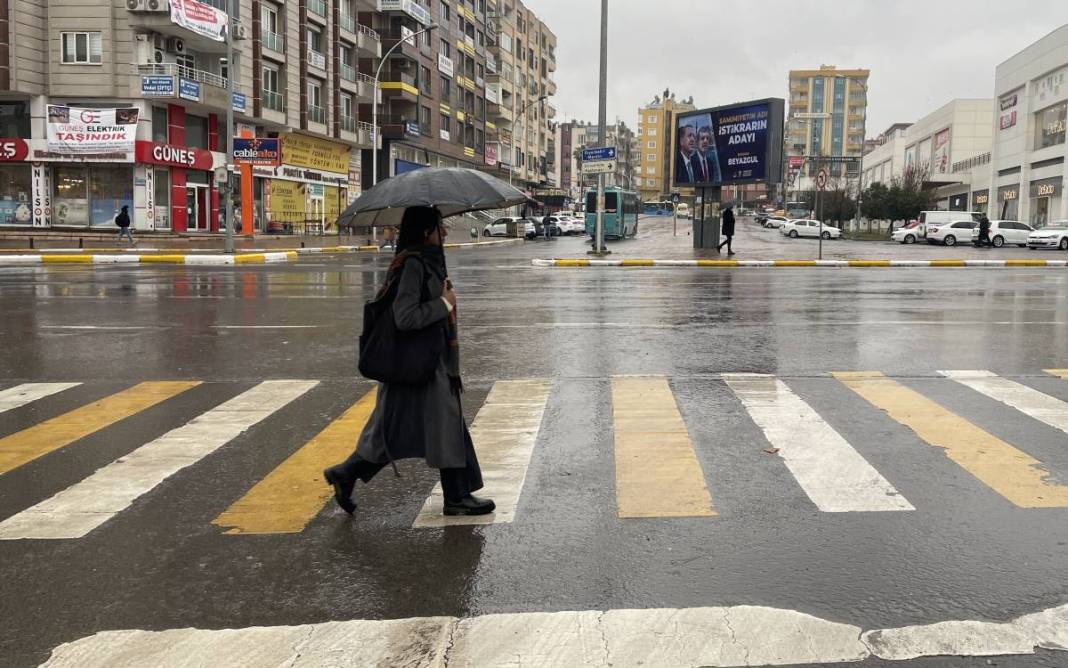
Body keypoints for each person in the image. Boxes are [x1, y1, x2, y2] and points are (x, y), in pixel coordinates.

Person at [324, 206, 494, 517]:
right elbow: (405, 317)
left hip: (425, 363)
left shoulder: (427, 262)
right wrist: (444, 303)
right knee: (432, 427)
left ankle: (346, 473)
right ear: (424, 231)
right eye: (438, 228)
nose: (443, 233)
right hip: (420, 366)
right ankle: (456, 497)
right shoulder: (413, 264)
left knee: (406, 430)